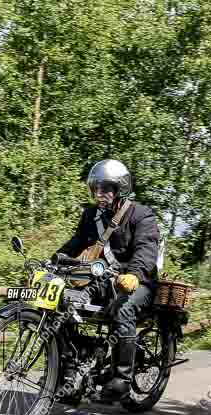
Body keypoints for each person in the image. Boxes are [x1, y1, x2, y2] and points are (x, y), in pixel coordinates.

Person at [52, 159, 161, 401]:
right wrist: (54, 261)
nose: (99, 194)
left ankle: (121, 379)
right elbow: (76, 243)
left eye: (105, 188)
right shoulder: (91, 215)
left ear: (120, 188)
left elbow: (146, 249)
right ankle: (69, 375)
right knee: (63, 303)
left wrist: (134, 274)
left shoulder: (141, 215)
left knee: (123, 309)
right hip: (102, 280)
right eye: (95, 188)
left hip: (138, 282)